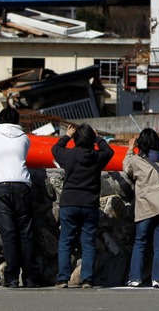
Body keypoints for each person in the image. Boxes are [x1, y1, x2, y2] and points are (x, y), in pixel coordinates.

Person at [0, 106, 38, 288]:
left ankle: (12, 278)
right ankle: (30, 278)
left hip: (0, 185)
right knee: (26, 233)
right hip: (22, 184)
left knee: (9, 233)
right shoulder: (25, 138)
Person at [52, 123, 114, 288]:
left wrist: (67, 136)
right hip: (89, 204)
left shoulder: (69, 155)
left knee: (65, 241)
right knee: (88, 243)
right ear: (92, 140)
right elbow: (109, 151)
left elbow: (55, 149)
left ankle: (63, 278)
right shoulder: (97, 157)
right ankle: (87, 279)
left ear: (76, 140)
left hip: (69, 202)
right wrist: (98, 138)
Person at [123, 128, 159, 288]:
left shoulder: (136, 160)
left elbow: (126, 167)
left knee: (140, 242)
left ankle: (135, 278)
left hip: (146, 205)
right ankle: (157, 279)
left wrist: (130, 148)